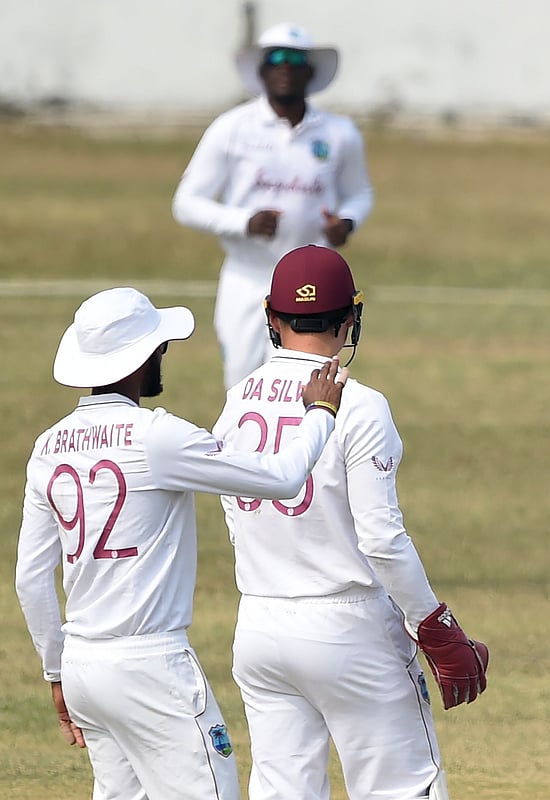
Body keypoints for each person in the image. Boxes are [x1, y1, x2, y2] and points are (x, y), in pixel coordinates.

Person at [15, 286, 345, 800]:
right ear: (137, 361)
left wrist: (57, 671)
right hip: (151, 667)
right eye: (157, 346)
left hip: (83, 668)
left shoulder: (46, 447)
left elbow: (30, 579)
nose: (163, 353)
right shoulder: (158, 435)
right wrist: (320, 412)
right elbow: (281, 477)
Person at [212, 245, 488, 800]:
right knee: (402, 789)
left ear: (271, 318)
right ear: (349, 319)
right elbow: (382, 538)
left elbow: (233, 512)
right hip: (348, 626)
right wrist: (431, 624)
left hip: (260, 625)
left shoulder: (238, 398)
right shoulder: (360, 404)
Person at [173, 22, 374, 390]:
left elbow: (360, 194)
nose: (286, 67)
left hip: (314, 283)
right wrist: (244, 222)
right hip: (248, 278)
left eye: (296, 59)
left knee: (309, 387)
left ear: (310, 72)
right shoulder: (232, 128)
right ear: (262, 69)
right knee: (243, 385)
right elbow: (186, 203)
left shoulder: (339, 132)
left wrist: (347, 222)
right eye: (276, 58)